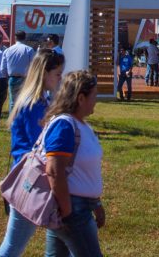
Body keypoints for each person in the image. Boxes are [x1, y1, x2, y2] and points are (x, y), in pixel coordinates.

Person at [0, 50, 65, 257]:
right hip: (32, 181)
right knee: (13, 247)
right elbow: (41, 145)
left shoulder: (37, 101)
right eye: (57, 73)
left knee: (56, 242)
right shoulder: (35, 106)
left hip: (30, 178)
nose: (60, 78)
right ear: (44, 73)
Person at [43, 71, 107, 257]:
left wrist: (95, 203)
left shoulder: (81, 125)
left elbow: (83, 172)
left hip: (78, 206)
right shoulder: (64, 125)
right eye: (94, 95)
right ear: (81, 98)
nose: (96, 99)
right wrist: (67, 209)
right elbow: (54, 171)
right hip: (72, 209)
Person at [3, 31, 37, 97]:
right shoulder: (29, 50)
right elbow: (34, 66)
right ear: (25, 38)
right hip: (25, 79)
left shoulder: (8, 50)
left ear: (15, 38)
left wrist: (8, 77)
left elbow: (3, 68)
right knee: (24, 101)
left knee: (12, 102)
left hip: (12, 78)